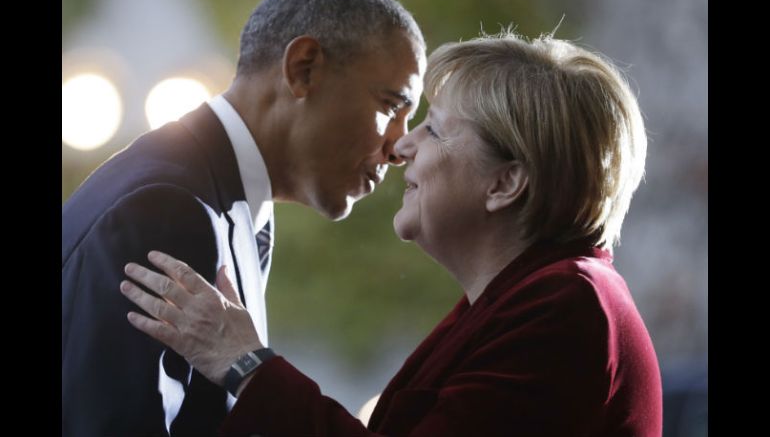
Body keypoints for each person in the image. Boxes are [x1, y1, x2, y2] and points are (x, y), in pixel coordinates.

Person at [120, 32, 663, 436]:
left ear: (505, 182)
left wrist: (244, 363)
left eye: (435, 129)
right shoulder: (532, 298)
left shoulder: (566, 306)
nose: (402, 147)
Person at [61, 0, 426, 437]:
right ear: (304, 68)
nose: (399, 146)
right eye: (391, 106)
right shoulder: (165, 207)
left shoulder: (223, 199)